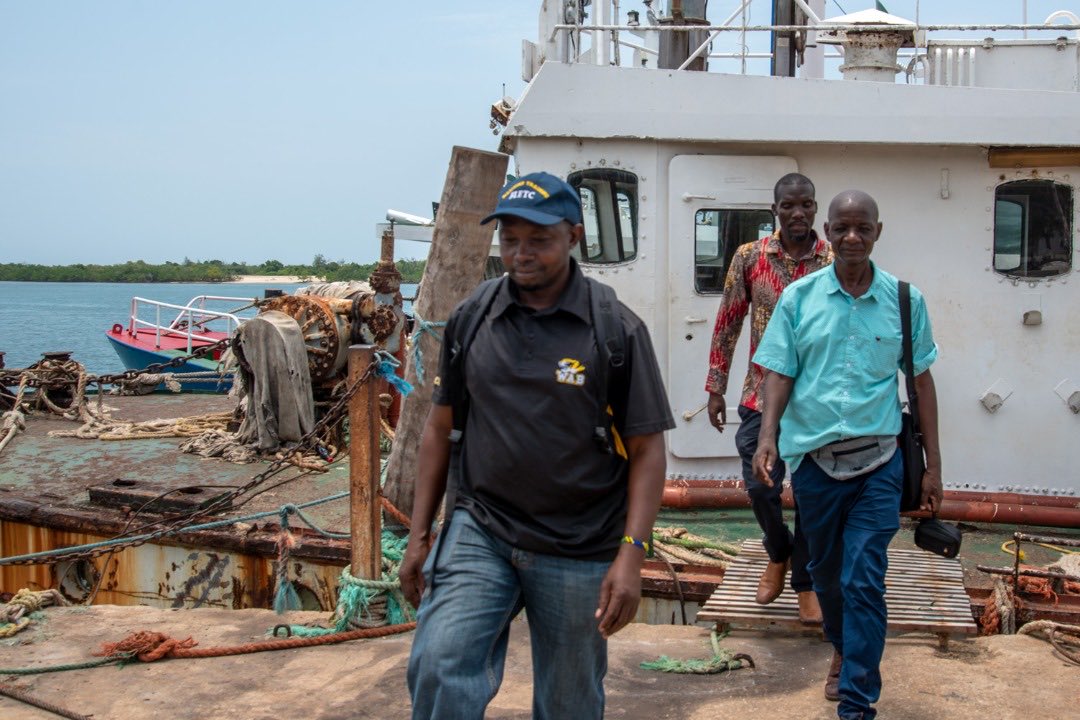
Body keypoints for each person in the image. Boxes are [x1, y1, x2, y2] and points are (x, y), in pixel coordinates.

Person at [400, 171, 675, 720]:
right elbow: (439, 428)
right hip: (482, 528)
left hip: (579, 543)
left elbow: (647, 452)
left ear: (574, 237)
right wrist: (418, 533)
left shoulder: (615, 330)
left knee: (569, 701)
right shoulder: (473, 317)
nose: (521, 254)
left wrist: (632, 554)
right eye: (510, 240)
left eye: (539, 241)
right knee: (439, 663)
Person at [751, 190, 943, 720]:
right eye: (842, 229)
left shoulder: (906, 301)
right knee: (828, 575)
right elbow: (779, 372)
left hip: (880, 465)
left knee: (863, 575)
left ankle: (857, 701)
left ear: (878, 231)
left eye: (863, 228)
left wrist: (933, 469)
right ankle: (842, 644)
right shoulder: (799, 299)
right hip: (815, 463)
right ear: (827, 234)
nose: (852, 238)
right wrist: (767, 437)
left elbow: (922, 384)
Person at [704, 172, 831, 623]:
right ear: (774, 210)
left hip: (816, 398)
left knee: (816, 494)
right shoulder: (750, 257)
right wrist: (715, 387)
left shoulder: (833, 260)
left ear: (815, 208)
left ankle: (805, 582)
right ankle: (778, 551)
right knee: (761, 486)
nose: (798, 213)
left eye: (807, 205)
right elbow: (728, 321)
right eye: (789, 206)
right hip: (761, 394)